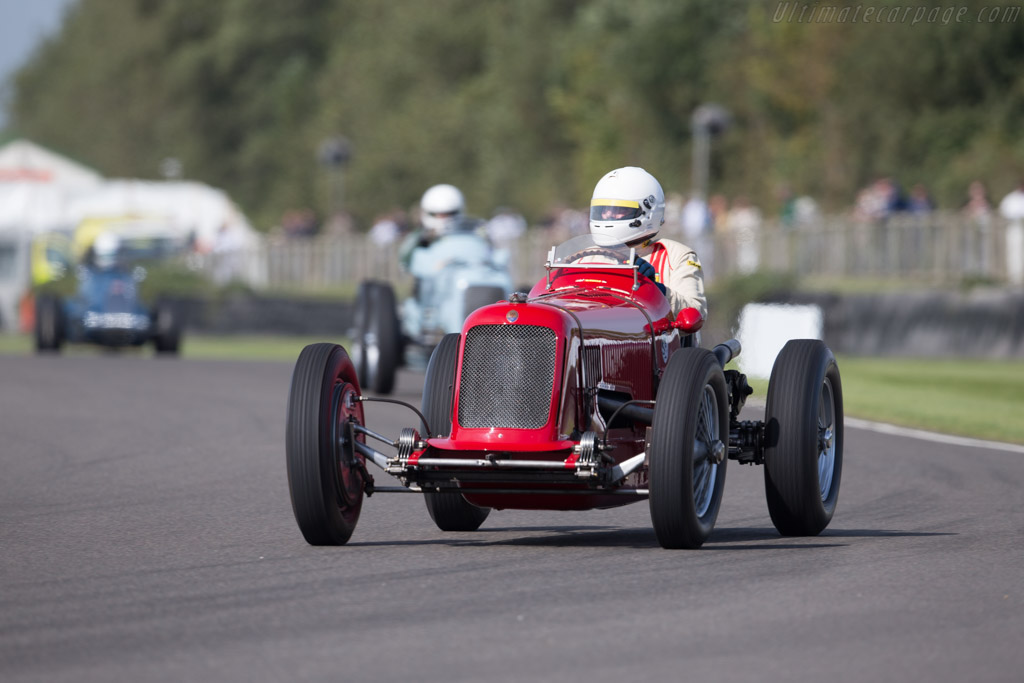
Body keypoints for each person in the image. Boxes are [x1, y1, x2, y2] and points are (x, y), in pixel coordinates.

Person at [589, 166, 707, 319]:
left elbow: (696, 314)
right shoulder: (586, 258)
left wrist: (655, 291)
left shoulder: (677, 255)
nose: (608, 215)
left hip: (655, 339)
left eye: (619, 210)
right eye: (603, 209)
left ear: (648, 212)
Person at [399, 183, 467, 270]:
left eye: (449, 214)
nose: (444, 219)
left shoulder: (467, 234)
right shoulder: (421, 237)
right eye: (438, 215)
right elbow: (405, 260)